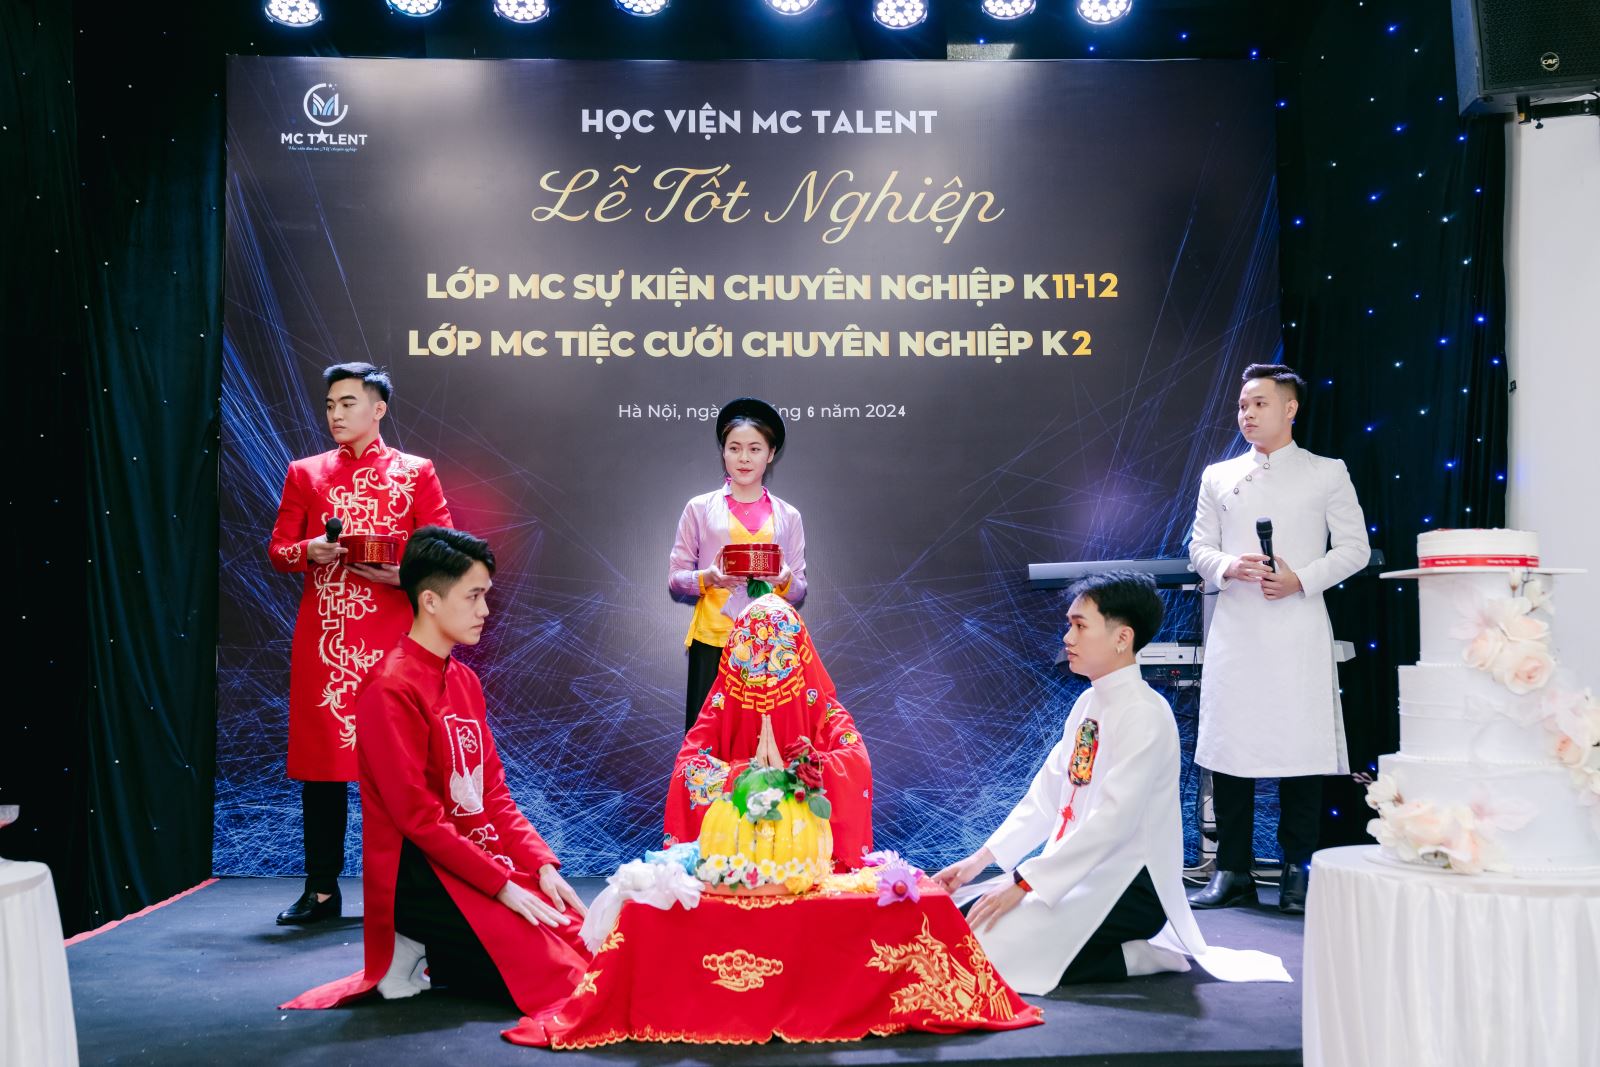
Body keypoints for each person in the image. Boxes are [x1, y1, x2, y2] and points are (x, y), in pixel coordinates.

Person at [282, 526, 591, 1016]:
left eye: (485, 596)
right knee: (563, 977)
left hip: (472, 856)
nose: (484, 610)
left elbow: (493, 794)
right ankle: (414, 937)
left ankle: (433, 949)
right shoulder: (388, 687)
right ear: (429, 600)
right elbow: (417, 818)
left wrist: (540, 866)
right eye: (473, 596)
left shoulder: (464, 681)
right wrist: (502, 885)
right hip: (420, 873)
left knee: (589, 941)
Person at [936, 573, 1289, 992]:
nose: (1068, 637)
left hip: (1130, 884)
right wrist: (977, 863)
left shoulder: (1145, 714)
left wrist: (1025, 882)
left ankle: (1138, 958)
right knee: (961, 924)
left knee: (987, 952)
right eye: (1070, 625)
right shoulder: (1088, 703)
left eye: (1080, 626)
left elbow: (1113, 822)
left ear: (1123, 637)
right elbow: (1046, 798)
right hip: (1075, 872)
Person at [268, 363, 453, 925]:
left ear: (379, 409)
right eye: (330, 404)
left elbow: (445, 550)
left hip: (395, 642)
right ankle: (322, 890)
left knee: (400, 768)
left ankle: (405, 889)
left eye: (348, 403)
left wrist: (404, 575)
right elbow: (278, 550)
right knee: (322, 768)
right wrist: (309, 551)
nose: (336, 414)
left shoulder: (416, 472)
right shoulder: (305, 473)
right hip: (326, 639)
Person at [1185, 364, 1369, 913]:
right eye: (1243, 405)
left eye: (1260, 403)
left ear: (1290, 408)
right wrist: (1227, 566)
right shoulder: (1219, 475)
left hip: (1297, 628)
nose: (1247, 414)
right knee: (1231, 748)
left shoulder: (1326, 472)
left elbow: (1355, 549)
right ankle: (1233, 870)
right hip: (1237, 629)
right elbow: (1199, 547)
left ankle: (1297, 871)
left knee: (1301, 750)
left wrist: (1301, 579)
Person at [662, 593, 873, 868]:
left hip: (807, 858)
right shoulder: (721, 706)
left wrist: (794, 771)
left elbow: (856, 763)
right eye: (753, 654)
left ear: (800, 655)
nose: (766, 676)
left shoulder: (823, 710)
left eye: (778, 657)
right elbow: (687, 770)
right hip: (736, 859)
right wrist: (751, 776)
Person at [668, 398, 806, 732]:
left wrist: (785, 578)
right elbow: (676, 578)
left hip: (770, 643)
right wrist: (709, 577)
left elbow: (800, 589)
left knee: (765, 741)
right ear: (723, 452)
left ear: (770, 454)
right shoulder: (699, 508)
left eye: (754, 449)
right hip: (713, 638)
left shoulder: (788, 516)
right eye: (734, 448)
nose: (744, 458)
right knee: (707, 739)